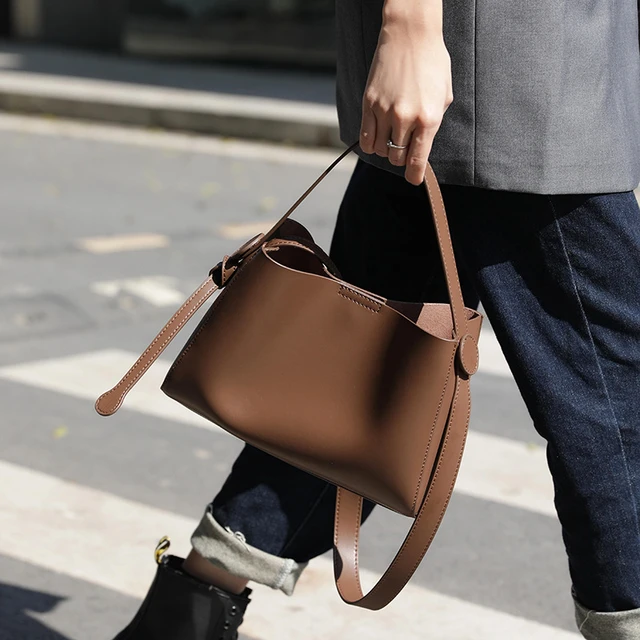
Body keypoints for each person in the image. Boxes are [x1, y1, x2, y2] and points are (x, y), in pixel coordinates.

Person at [112, 0, 640, 638]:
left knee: (354, 378)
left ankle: (189, 609)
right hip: (504, 72)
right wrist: (410, 25)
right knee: (615, 396)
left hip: (507, 70)